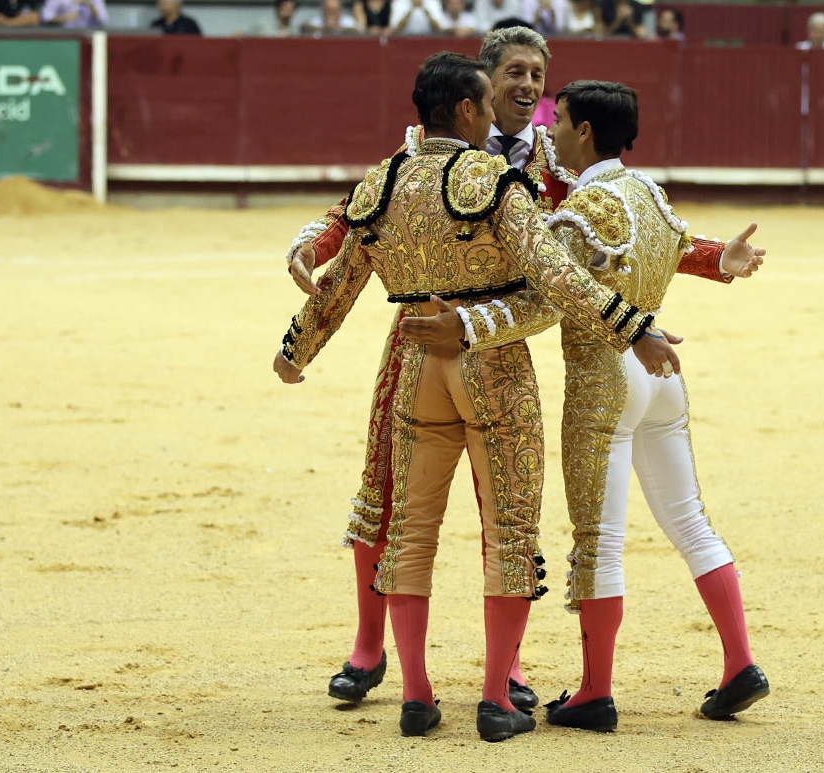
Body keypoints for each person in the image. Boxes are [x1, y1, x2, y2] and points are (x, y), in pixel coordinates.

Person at [285, 24, 737, 716]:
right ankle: (368, 646)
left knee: (491, 504)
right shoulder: (443, 156)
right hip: (445, 334)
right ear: (480, 88)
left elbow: (615, 235)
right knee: (387, 489)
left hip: (495, 333)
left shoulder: (553, 164)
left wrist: (711, 259)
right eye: (515, 74)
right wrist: (314, 243)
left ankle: (502, 667)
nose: (528, 88)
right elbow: (356, 214)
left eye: (538, 75)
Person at [404, 80, 768, 732]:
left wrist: (470, 325)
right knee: (691, 522)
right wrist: (725, 261)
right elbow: (681, 244)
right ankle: (740, 660)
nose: (553, 131)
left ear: (587, 133)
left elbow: (545, 303)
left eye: (562, 120)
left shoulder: (582, 211)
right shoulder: (648, 193)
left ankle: (594, 692)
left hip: (607, 379)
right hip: (661, 372)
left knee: (598, 544)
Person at [40, 0, 106, 28]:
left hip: (88, 37)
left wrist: (91, 6)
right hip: (65, 37)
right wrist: (63, 18)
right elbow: (45, 17)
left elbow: (104, 22)